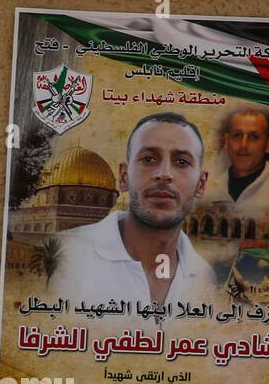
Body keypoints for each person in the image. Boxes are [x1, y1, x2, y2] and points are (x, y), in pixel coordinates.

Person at [57, 113, 217, 308]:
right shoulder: (64, 257)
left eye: (182, 162)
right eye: (148, 159)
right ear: (124, 177)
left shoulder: (204, 277)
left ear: (201, 184)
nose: (164, 174)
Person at [203, 107, 269, 213]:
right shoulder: (208, 187)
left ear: (268, 145)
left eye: (254, 136)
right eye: (237, 135)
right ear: (227, 141)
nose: (243, 145)